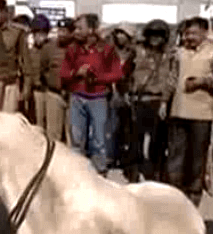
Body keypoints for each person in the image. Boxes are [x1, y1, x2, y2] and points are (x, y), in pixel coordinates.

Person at [166, 16, 213, 207]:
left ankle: (194, 194)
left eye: (194, 33)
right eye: (187, 33)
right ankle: (173, 193)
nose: (189, 37)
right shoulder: (178, 53)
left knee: (197, 157)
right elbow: (172, 78)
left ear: (205, 33)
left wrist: (204, 81)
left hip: (201, 114)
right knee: (176, 154)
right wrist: (165, 102)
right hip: (178, 111)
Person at [60, 13, 122, 177]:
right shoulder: (73, 49)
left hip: (98, 98)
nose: (76, 32)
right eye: (75, 28)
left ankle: (100, 172)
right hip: (77, 97)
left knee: (99, 138)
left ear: (92, 29)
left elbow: (117, 73)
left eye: (80, 28)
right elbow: (64, 73)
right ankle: (77, 172)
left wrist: (98, 78)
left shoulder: (107, 50)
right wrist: (76, 73)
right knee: (76, 138)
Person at [124, 19, 175, 182]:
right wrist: (126, 91)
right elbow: (125, 72)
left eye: (159, 35)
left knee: (158, 141)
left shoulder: (170, 55)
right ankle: (133, 171)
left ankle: (155, 172)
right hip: (139, 99)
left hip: (159, 101)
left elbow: (173, 78)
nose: (155, 38)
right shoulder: (137, 51)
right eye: (152, 34)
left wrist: (165, 102)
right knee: (135, 139)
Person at [0, 0, 28, 113]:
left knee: (8, 123)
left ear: (4, 12)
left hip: (10, 86)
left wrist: (25, 89)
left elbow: (25, 63)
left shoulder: (17, 32)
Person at [105, 22, 136, 169]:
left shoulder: (134, 53)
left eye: (124, 34)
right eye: (118, 33)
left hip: (128, 95)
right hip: (111, 93)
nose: (120, 37)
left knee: (127, 128)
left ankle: (125, 157)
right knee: (111, 127)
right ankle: (111, 156)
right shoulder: (109, 52)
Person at [37, 17, 71, 142]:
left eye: (65, 31)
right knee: (53, 135)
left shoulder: (76, 48)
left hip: (73, 95)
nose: (62, 34)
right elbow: (43, 69)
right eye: (60, 30)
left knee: (72, 135)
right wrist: (52, 81)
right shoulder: (49, 48)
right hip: (54, 94)